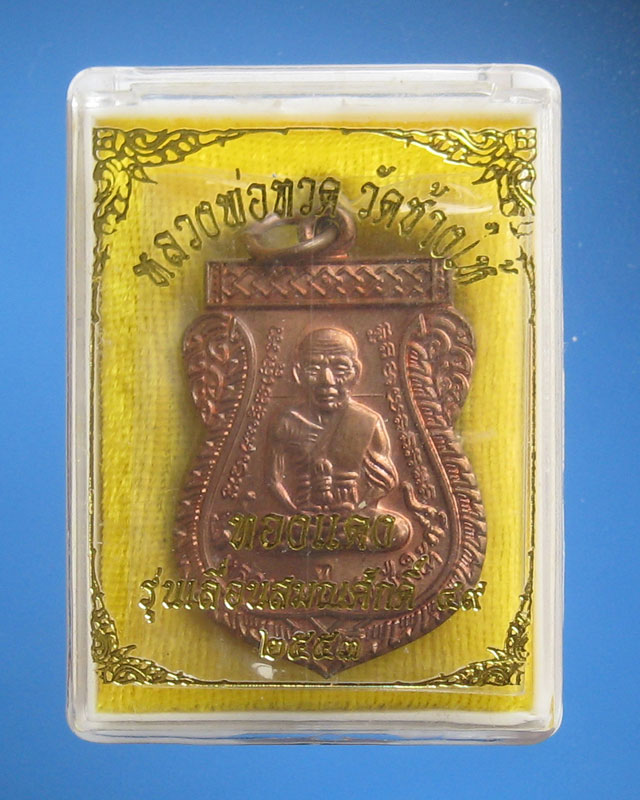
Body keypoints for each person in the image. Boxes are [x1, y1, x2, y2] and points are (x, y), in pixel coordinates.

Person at [267, 327, 409, 548]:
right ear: (298, 373)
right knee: (264, 529)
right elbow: (273, 480)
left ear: (356, 372)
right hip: (303, 519)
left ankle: (327, 538)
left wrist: (359, 508)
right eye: (314, 368)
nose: (327, 380)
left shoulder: (367, 421)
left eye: (340, 368)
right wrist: (295, 510)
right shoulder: (287, 422)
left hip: (352, 518)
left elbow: (383, 483)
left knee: (397, 530)